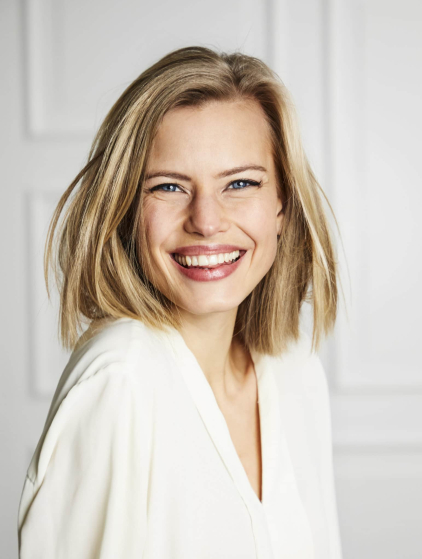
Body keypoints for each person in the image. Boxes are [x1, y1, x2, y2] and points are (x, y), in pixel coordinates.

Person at [17, 45, 343, 558]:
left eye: (240, 183)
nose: (206, 221)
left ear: (282, 204)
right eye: (169, 186)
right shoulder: (120, 381)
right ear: (125, 209)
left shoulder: (294, 366)